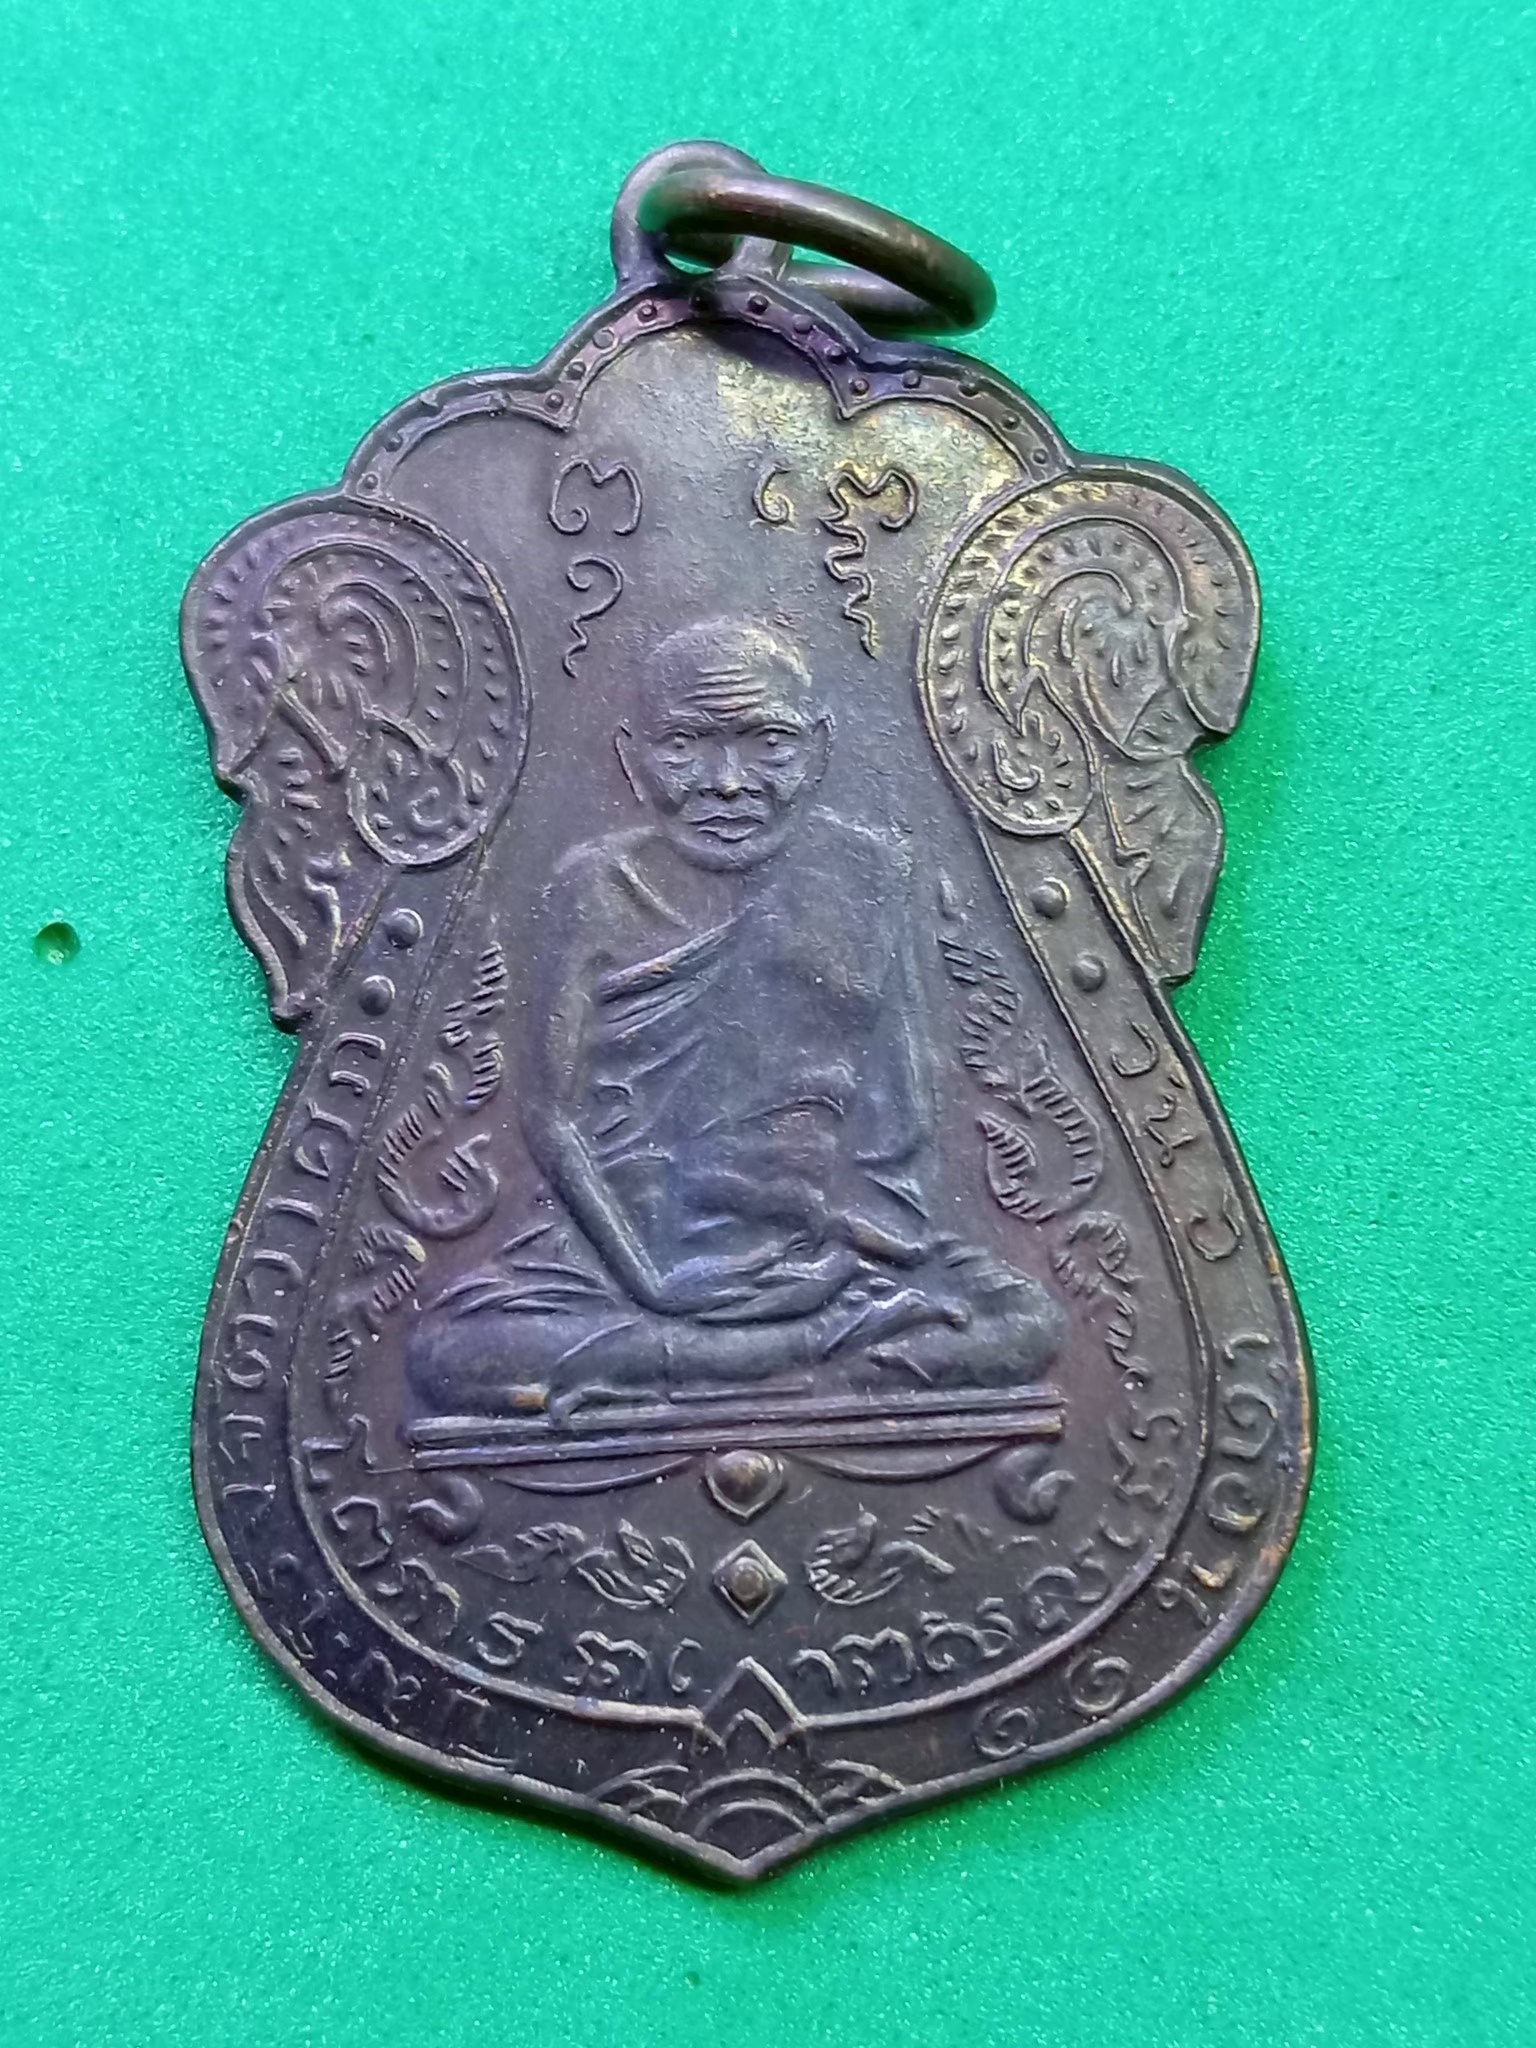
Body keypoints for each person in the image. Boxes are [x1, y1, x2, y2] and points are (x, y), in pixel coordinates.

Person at [408, 619, 1063, 1419]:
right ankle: (797, 1354)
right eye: (685, 746)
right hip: (623, 1253)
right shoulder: (596, 888)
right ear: (632, 756)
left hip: (821, 1249)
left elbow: (901, 1111)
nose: (727, 783)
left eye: (769, 744)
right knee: (445, 1354)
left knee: (1030, 1323)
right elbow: (551, 1116)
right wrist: (652, 1283)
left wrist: (857, 1238)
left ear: (820, 748)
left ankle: (734, 1357)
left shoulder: (866, 874)